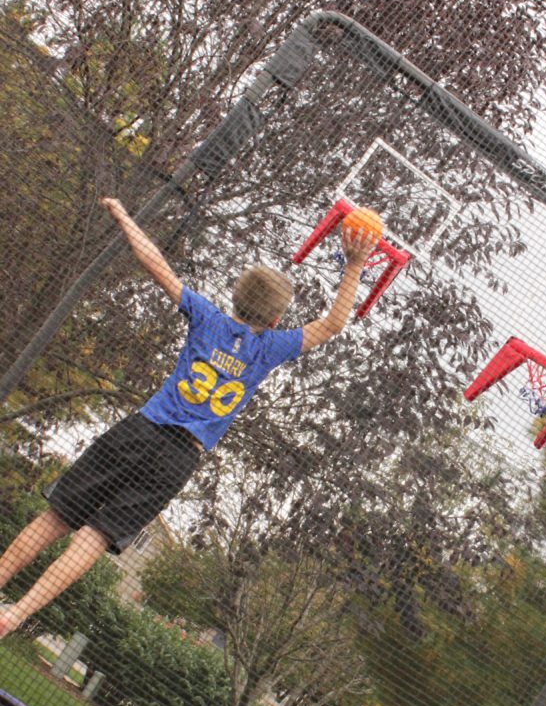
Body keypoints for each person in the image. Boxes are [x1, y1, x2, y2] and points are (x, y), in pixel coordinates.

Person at [0, 197, 375, 639]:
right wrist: (354, 265)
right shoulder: (269, 348)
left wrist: (124, 216)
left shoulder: (206, 317)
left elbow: (154, 262)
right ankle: (14, 615)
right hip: (177, 457)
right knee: (96, 537)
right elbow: (333, 324)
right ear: (276, 318)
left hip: (140, 431)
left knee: (58, 517)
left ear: (235, 297)